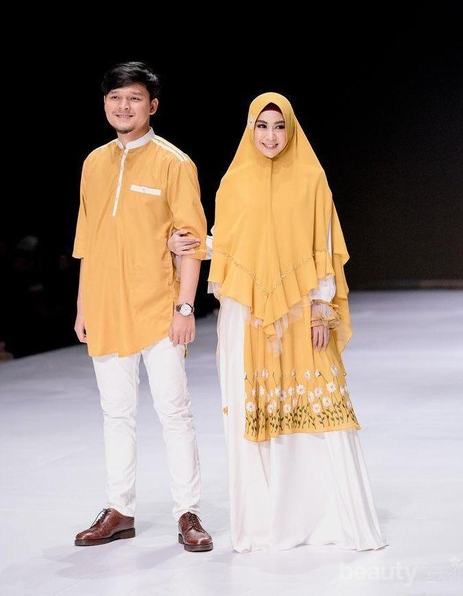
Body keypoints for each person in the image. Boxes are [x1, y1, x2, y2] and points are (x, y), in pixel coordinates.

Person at [169, 92, 387, 553]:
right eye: (262, 126)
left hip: (301, 307)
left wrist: (322, 307)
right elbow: (228, 242)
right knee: (254, 407)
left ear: (291, 129)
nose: (271, 136)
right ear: (250, 129)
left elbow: (323, 245)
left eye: (279, 126)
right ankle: (266, 524)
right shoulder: (234, 181)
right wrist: (187, 245)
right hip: (243, 312)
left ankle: (326, 520)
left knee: (314, 404)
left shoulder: (311, 178)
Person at [72, 61, 213, 552]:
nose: (123, 106)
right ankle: (120, 509)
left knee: (174, 412)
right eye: (115, 98)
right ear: (104, 104)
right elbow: (86, 242)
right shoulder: (93, 163)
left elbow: (193, 242)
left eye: (133, 98)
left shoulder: (174, 162)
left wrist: (185, 308)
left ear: (152, 105)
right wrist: (83, 306)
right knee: (116, 413)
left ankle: (188, 512)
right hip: (106, 307)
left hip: (158, 309)